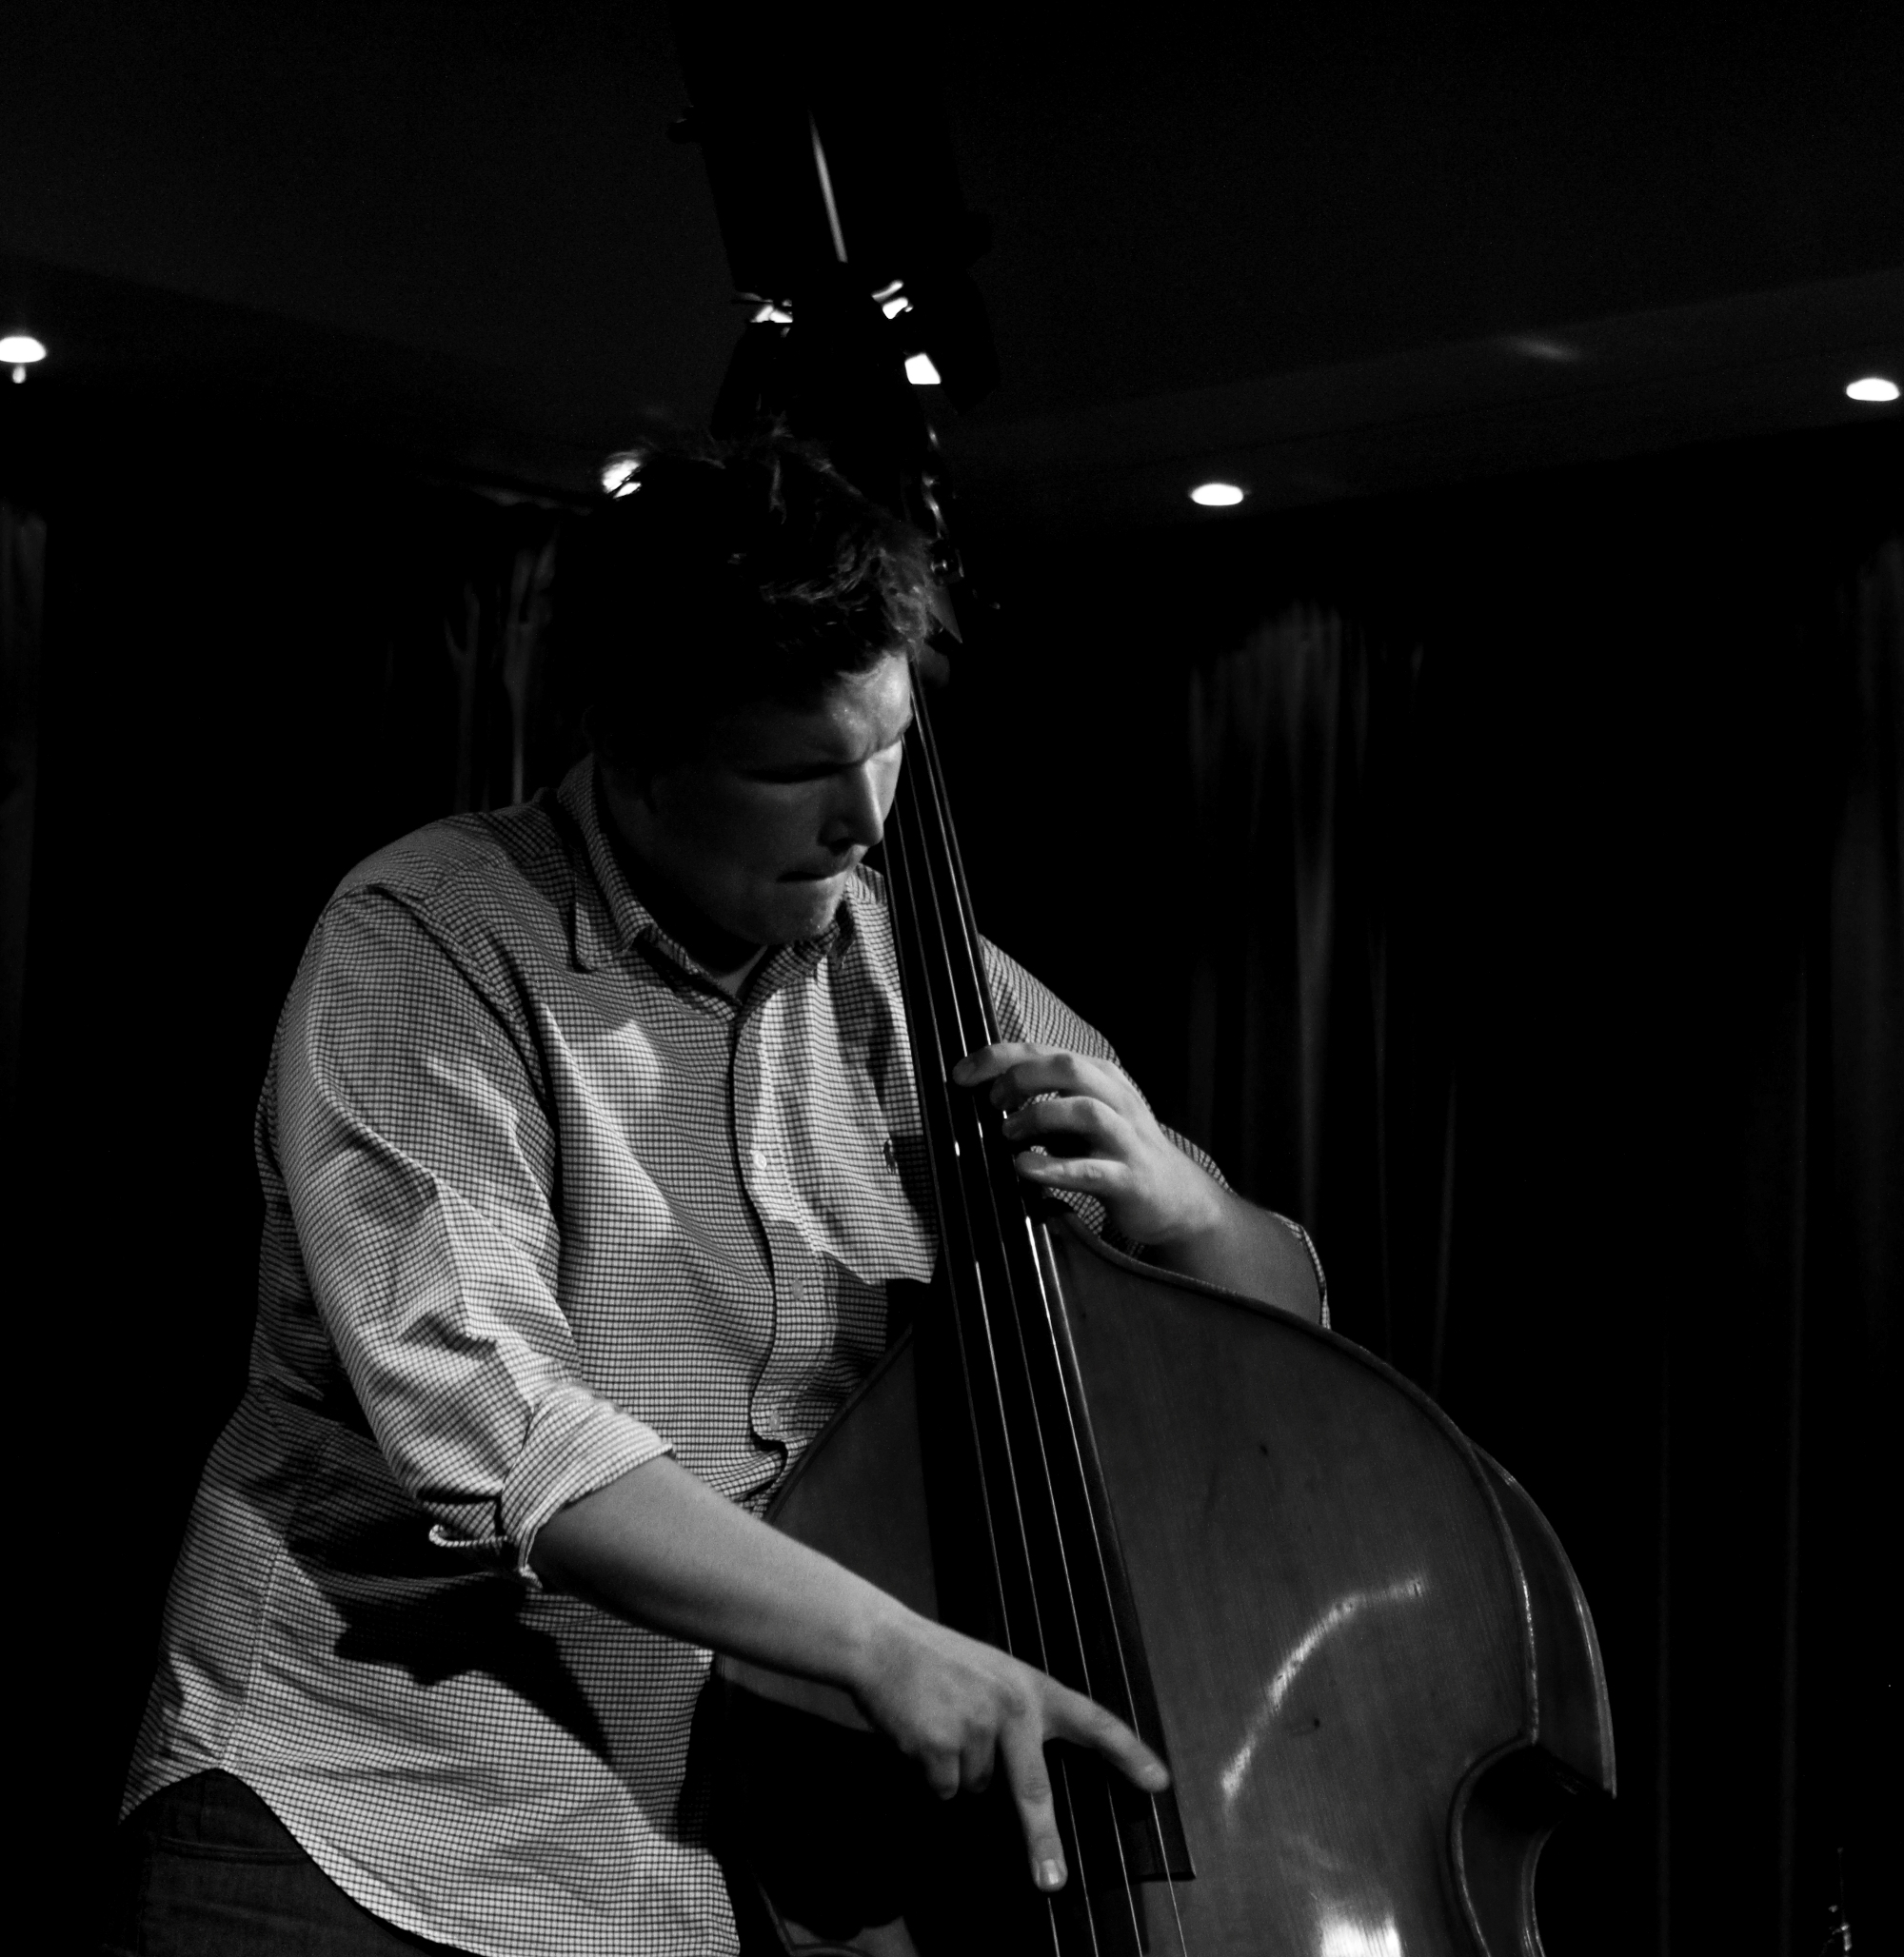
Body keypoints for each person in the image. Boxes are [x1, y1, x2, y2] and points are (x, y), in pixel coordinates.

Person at [107, 434, 1323, 1957]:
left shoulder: (919, 975)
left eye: (886, 748)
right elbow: (497, 1425)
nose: (867, 821)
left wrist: (1182, 1214)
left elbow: (1280, 1344)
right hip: (370, 1813)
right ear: (637, 751)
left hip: (719, 1861)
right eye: (796, 770)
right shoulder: (430, 940)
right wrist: (884, 1647)